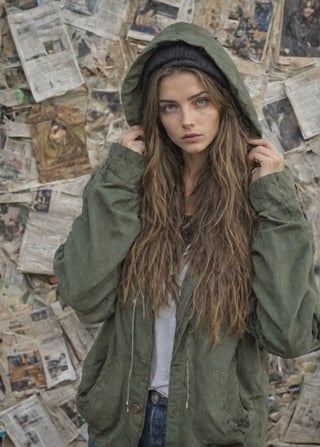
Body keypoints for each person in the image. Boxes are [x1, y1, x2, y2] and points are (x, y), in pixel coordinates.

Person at [53, 21, 320, 447]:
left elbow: (289, 336)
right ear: (153, 115)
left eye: (200, 101)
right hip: (125, 423)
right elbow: (83, 293)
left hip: (210, 432)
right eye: (169, 107)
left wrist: (278, 205)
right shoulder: (130, 188)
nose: (187, 121)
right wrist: (119, 178)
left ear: (225, 104)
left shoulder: (261, 199)